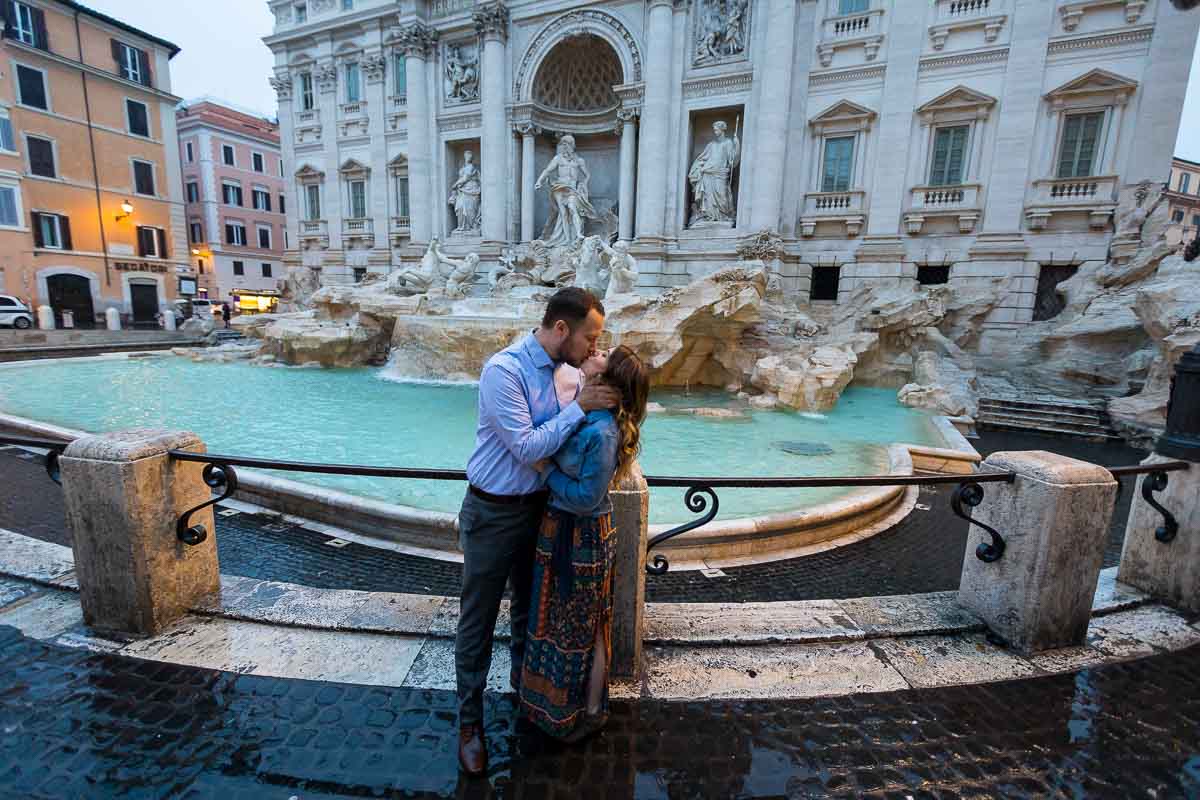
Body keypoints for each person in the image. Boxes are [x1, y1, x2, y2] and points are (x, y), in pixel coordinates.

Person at [456, 287, 620, 776]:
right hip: (493, 513)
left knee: (533, 615)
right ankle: (469, 725)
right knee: (478, 620)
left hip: (544, 512)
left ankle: (526, 703)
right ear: (562, 329)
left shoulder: (570, 371)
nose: (595, 346)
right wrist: (580, 407)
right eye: (591, 337)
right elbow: (528, 446)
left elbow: (569, 438)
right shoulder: (502, 371)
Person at [520, 345, 650, 743]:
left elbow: (585, 497)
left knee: (585, 625)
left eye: (605, 354)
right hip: (563, 529)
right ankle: (561, 707)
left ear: (607, 381)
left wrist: (545, 472)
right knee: (565, 621)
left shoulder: (602, 431)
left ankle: (588, 712)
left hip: (582, 533)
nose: (598, 349)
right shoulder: (587, 415)